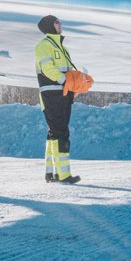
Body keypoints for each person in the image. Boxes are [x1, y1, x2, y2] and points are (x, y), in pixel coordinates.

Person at [34, 15, 81, 184]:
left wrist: (76, 85)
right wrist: (65, 81)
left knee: (54, 132)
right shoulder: (43, 46)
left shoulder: (62, 47)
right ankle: (63, 175)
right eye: (57, 22)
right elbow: (47, 69)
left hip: (64, 94)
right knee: (61, 132)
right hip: (51, 94)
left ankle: (51, 173)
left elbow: (68, 72)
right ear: (49, 25)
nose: (60, 24)